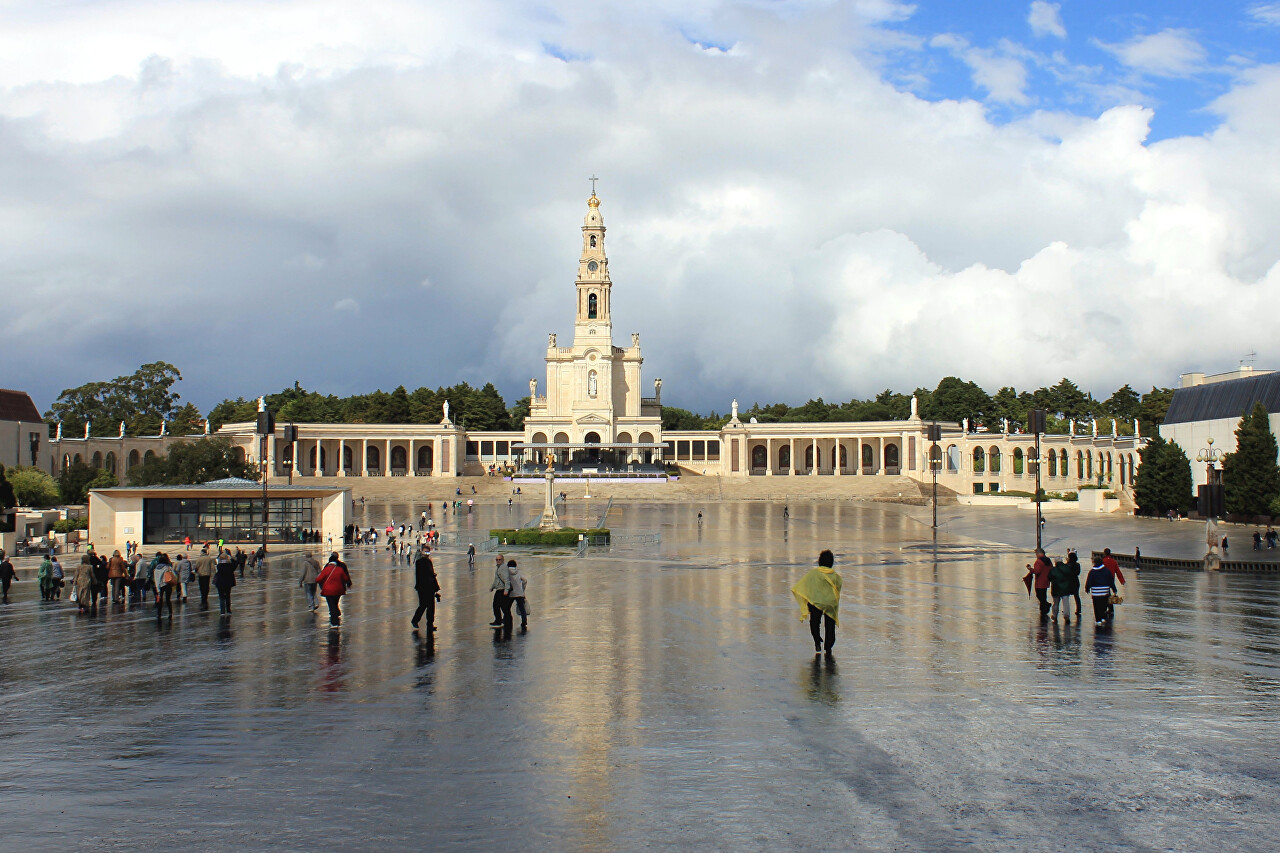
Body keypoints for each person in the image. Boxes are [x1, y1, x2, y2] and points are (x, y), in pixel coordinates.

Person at [791, 550, 842, 654]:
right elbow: (838, 587)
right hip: (829, 603)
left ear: (819, 561)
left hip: (815, 602)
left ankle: (817, 640)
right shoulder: (835, 576)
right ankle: (828, 646)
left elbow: (805, 584)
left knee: (814, 622)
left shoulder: (813, 573)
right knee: (830, 625)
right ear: (831, 563)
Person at [316, 552, 352, 628]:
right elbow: (346, 578)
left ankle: (334, 622)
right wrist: (348, 584)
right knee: (335, 604)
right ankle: (336, 615)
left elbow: (319, 579)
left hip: (328, 590)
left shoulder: (326, 568)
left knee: (331, 606)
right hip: (338, 590)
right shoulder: (340, 568)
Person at [412, 546, 441, 631]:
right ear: (422, 552)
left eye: (428, 552)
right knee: (423, 605)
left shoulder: (428, 562)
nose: (427, 554)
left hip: (429, 588)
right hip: (423, 588)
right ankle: (415, 620)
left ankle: (430, 625)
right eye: (425, 552)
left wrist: (435, 588)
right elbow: (424, 576)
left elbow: (431, 575)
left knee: (431, 607)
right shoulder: (420, 562)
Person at [1085, 556, 1117, 626]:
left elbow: (1089, 581)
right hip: (1105, 591)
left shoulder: (1092, 571)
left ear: (1094, 562)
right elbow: (1110, 581)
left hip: (1095, 592)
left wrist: (1087, 588)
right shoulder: (1106, 570)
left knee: (1096, 606)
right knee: (1103, 605)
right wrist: (1114, 590)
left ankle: (1098, 620)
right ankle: (1103, 617)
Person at [1048, 554, 1078, 623]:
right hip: (1066, 588)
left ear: (1055, 562)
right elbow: (1071, 576)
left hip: (1056, 588)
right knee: (1066, 603)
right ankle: (1066, 616)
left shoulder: (1053, 570)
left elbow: (1049, 577)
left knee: (1055, 603)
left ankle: (1054, 615)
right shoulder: (1067, 568)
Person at [1027, 548, 1052, 619]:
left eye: (1036, 554)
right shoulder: (1048, 560)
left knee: (1039, 595)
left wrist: (1030, 569)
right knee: (1043, 595)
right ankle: (1043, 609)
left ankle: (1046, 605)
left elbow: (1037, 571)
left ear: (1039, 553)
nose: (1036, 555)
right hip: (1046, 581)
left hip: (1040, 581)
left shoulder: (1038, 561)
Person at [489, 558, 512, 630]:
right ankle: (502, 621)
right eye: (496, 559)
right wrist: (492, 587)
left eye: (499, 559)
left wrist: (506, 590)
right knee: (500, 606)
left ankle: (500, 621)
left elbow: (506, 580)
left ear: (502, 560)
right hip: (499, 589)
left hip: (502, 589)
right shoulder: (499, 568)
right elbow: (496, 580)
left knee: (498, 606)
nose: (498, 561)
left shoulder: (503, 568)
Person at [214, 549, 237, 616]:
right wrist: (231, 557)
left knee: (221, 597)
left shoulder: (219, 566)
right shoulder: (230, 566)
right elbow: (235, 563)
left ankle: (222, 611)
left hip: (220, 583)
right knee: (227, 596)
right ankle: (228, 610)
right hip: (228, 583)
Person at [507, 559, 528, 630]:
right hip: (519, 593)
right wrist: (522, 589)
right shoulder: (518, 572)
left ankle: (506, 620)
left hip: (511, 593)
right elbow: (525, 580)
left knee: (507, 607)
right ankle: (524, 621)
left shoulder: (507, 572)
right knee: (522, 608)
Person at [155, 553, 178, 619]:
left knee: (160, 600)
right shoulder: (168, 567)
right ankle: (170, 613)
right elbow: (174, 575)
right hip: (167, 584)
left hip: (160, 585)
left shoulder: (156, 569)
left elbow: (156, 579)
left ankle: (159, 614)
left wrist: (157, 589)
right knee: (168, 600)